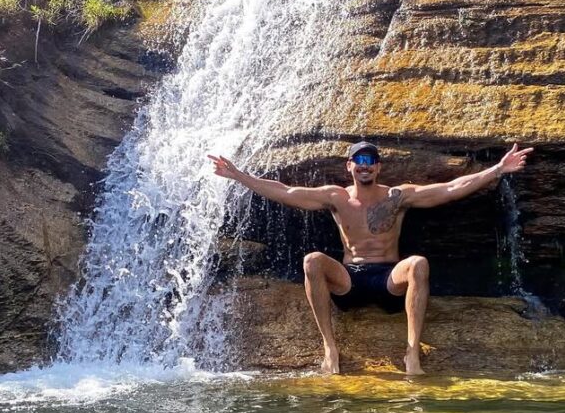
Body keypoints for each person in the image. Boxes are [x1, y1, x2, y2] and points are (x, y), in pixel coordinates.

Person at [209, 140, 533, 376]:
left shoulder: (397, 196)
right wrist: (240, 176)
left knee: (418, 262)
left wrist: (497, 169)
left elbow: (449, 188)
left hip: (389, 279)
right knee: (312, 260)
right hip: (350, 279)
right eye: (358, 159)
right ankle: (329, 348)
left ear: (378, 167)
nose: (364, 165)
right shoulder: (335, 197)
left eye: (371, 160)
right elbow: (285, 191)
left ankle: (411, 353)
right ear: (349, 166)